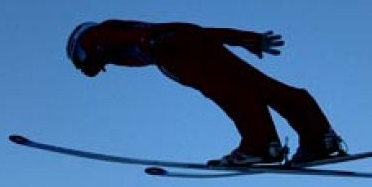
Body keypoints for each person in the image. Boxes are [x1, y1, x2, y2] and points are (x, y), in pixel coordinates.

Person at [65, 20, 347, 167]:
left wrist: (149, 43)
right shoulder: (129, 33)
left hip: (172, 50)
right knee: (257, 85)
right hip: (186, 40)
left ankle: (260, 146)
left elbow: (109, 42)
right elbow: (194, 31)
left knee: (229, 93)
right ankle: (318, 137)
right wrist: (245, 38)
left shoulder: (96, 37)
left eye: (78, 60)